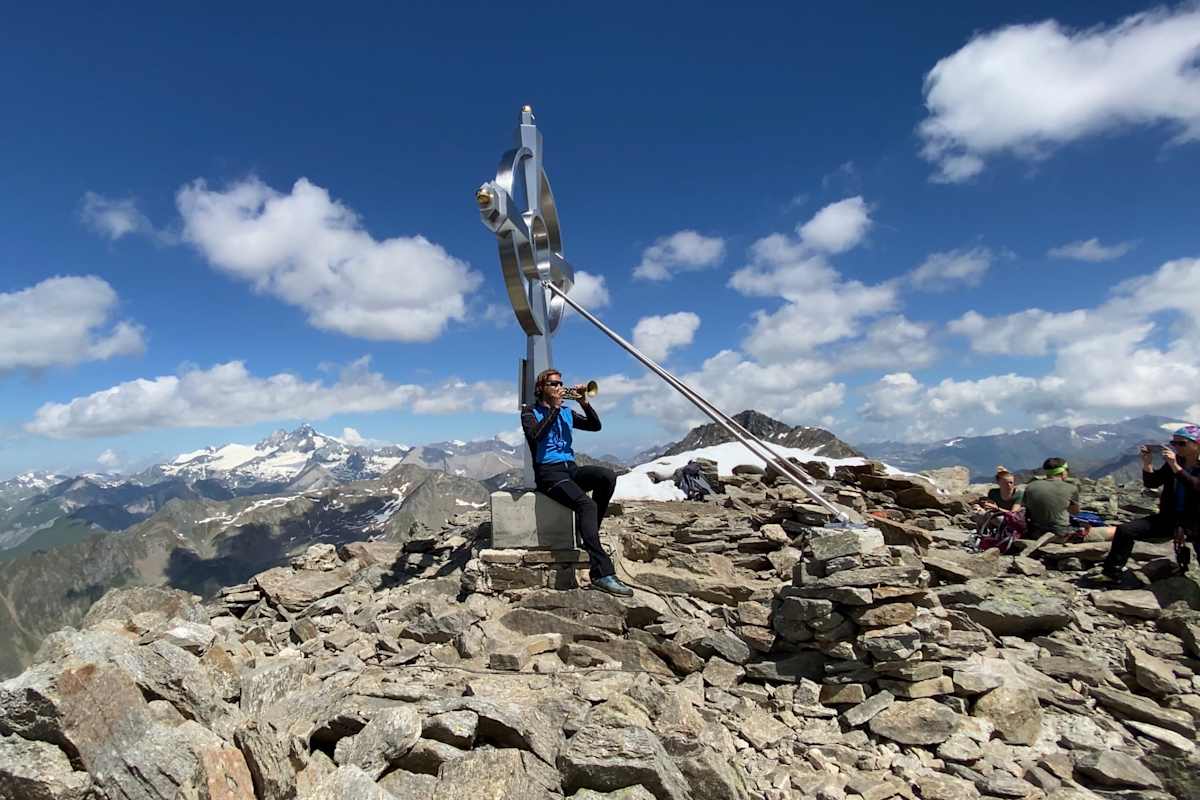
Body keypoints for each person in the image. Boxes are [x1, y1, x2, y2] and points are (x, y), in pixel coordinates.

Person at [521, 368, 633, 597]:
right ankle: (601, 574)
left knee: (607, 477)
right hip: (548, 473)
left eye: (560, 383)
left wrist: (583, 402)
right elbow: (535, 436)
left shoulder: (567, 412)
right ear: (541, 388)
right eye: (553, 384)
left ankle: (590, 533)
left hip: (570, 468)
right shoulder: (530, 412)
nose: (559, 387)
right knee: (586, 505)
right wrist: (553, 409)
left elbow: (595, 426)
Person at [1101, 425, 1200, 582]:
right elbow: (1152, 483)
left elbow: (1196, 486)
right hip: (1170, 517)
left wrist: (1175, 466)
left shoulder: (1176, 463)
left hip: (1195, 520)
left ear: (1197, 444)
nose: (1176, 447)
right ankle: (1112, 573)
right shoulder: (1175, 462)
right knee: (1125, 530)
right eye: (1173, 443)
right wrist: (1147, 463)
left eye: (1181, 443)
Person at [1022, 457, 1115, 543]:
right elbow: (1074, 512)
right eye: (1067, 470)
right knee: (1115, 531)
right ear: (1063, 472)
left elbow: (1027, 508)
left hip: (1035, 533)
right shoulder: (1071, 488)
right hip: (1061, 535)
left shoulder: (1030, 486)